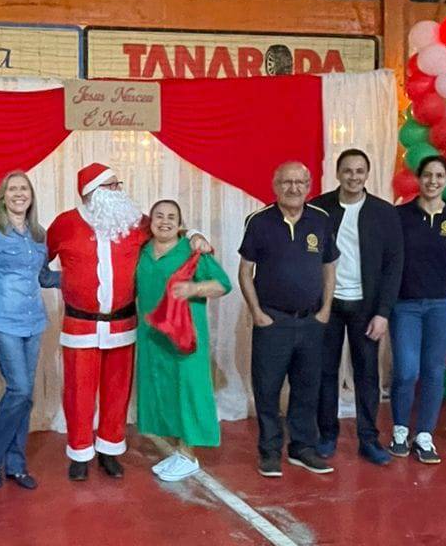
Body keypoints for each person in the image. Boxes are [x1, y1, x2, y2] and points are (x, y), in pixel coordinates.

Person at [45, 163, 209, 482]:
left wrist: (195, 234)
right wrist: (60, 281)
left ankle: (109, 449)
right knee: (78, 392)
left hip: (122, 324)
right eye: (112, 186)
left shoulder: (134, 221)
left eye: (118, 184)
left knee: (117, 391)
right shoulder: (65, 223)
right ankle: (79, 453)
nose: (119, 191)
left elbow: (168, 228)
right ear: (93, 192)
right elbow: (41, 256)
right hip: (80, 326)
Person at [238, 161, 336, 478]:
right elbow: (245, 271)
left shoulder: (320, 219)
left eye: (299, 182)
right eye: (286, 182)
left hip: (311, 322)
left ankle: (302, 448)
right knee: (267, 389)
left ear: (308, 186)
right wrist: (257, 313)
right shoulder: (259, 221)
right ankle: (269, 452)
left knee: (307, 388)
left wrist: (325, 310)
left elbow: (329, 267)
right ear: (275, 185)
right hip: (273, 322)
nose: (293, 188)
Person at [0, 171, 60, 490]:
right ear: (3, 197)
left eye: (24, 189)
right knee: (19, 388)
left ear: (31, 196)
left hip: (33, 320)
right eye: (13, 189)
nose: (19, 193)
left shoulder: (39, 236)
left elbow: (44, 277)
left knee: (25, 394)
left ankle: (16, 463)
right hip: (1, 319)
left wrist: (79, 275)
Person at [313, 148, 402, 466]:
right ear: (338, 173)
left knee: (366, 374)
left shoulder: (384, 212)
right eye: (348, 171)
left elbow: (394, 264)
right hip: (329, 304)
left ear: (367, 174)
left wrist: (383, 312)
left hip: (367, 307)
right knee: (325, 372)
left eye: (359, 171)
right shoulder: (319, 208)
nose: (353, 177)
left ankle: (368, 438)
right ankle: (327, 435)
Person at [135, 198, 231, 482]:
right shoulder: (142, 251)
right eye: (159, 216)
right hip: (153, 337)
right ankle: (179, 450)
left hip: (185, 336)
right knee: (165, 391)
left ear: (180, 224)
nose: (164, 221)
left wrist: (194, 289)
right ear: (151, 221)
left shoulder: (192, 252)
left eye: (171, 217)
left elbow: (223, 284)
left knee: (188, 390)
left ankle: (189, 455)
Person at [389, 155, 446, 464]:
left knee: (433, 371)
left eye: (439, 176)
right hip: (405, 306)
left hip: (444, 306)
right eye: (427, 175)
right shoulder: (399, 216)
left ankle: (424, 435)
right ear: (418, 178)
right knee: (406, 370)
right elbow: (388, 262)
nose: (433, 181)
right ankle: (400, 429)